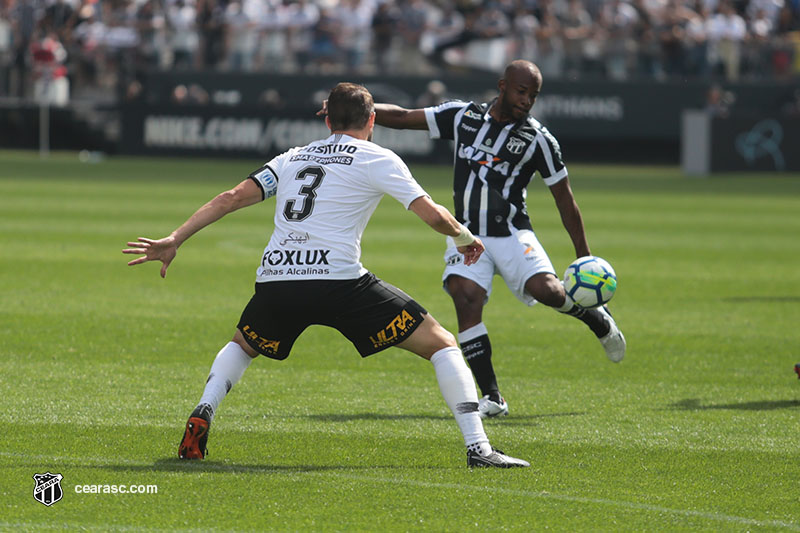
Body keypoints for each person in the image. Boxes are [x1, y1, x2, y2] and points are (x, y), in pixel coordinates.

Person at [123, 82, 529, 468]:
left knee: (243, 345)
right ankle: (479, 448)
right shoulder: (378, 157)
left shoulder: (292, 157)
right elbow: (433, 214)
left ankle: (204, 409)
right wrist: (464, 237)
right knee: (442, 344)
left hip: (278, 279)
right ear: (371, 121)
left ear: (326, 120)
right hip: (340, 283)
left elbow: (231, 198)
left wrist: (175, 238)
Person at [353, 60, 626, 418]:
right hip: (466, 234)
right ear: (502, 85)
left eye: (533, 95)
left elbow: (565, 199)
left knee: (548, 291)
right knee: (466, 300)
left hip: (512, 232)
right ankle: (493, 397)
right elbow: (404, 117)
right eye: (521, 91)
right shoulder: (463, 117)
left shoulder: (539, 140)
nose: (527, 100)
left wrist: (583, 257)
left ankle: (596, 318)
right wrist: (360, 111)